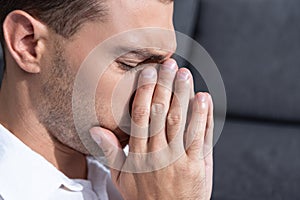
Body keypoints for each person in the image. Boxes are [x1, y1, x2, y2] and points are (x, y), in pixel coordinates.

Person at [0, 0, 214, 199]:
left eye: (163, 66)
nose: (157, 90)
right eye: (130, 64)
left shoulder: (160, 178)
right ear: (28, 43)